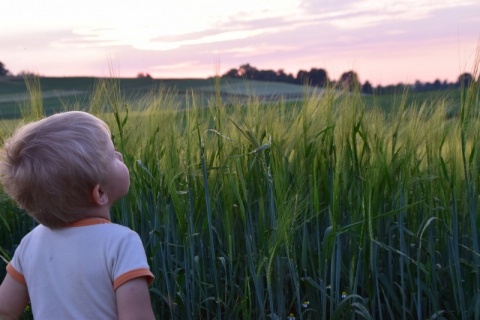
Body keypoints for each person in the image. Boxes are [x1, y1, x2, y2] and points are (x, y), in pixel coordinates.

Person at [0, 111, 155, 319]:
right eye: (112, 156)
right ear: (99, 193)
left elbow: (5, 310)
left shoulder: (30, 243)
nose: (120, 156)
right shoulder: (121, 243)